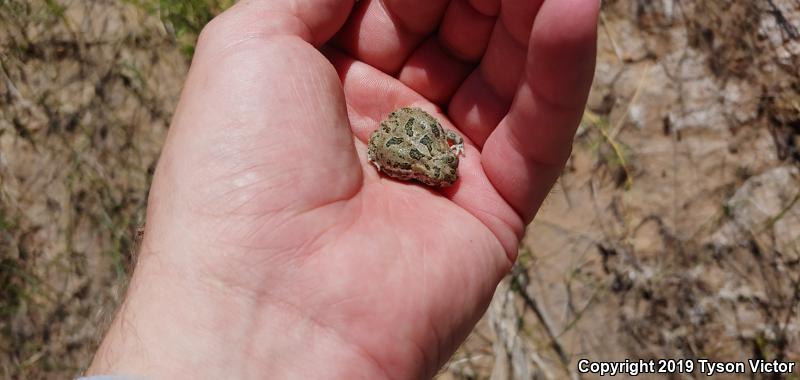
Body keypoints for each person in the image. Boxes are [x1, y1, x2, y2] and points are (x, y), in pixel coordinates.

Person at [85, 0, 599, 378]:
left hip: (413, 128)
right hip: (394, 138)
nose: (446, 177)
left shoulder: (444, 157)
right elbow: (396, 151)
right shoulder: (425, 163)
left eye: (444, 171)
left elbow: (437, 145)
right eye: (442, 173)